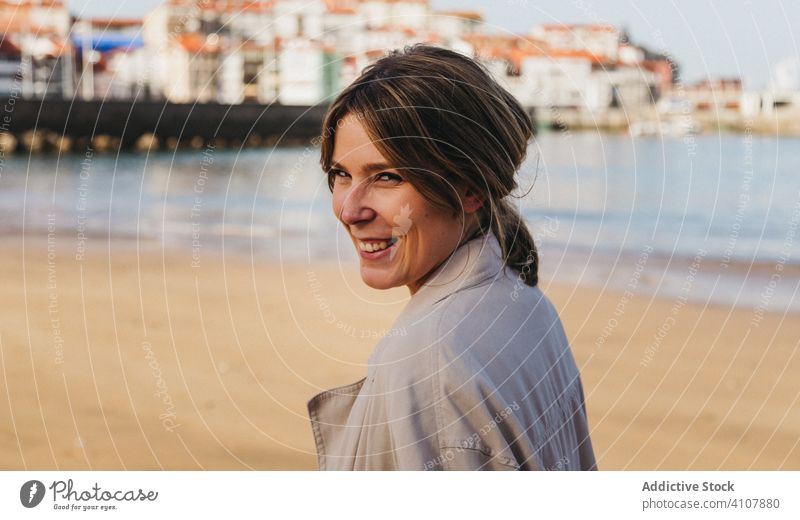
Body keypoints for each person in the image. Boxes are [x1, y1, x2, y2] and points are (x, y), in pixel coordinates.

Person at [307, 44, 596, 470]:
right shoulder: (528, 306)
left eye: (387, 176)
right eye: (341, 175)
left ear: (471, 188)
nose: (350, 209)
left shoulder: (426, 360)